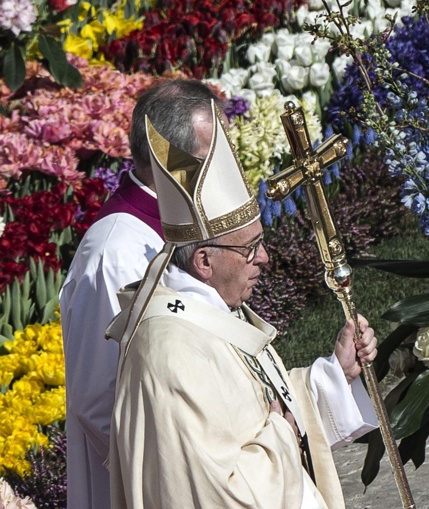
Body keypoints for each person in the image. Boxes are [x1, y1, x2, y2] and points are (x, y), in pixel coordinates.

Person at [106, 99, 377, 508]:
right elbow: (215, 492)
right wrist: (284, 436)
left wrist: (335, 373)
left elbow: (257, 411)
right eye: (250, 249)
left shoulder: (210, 311)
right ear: (203, 261)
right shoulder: (171, 354)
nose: (264, 258)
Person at [59, 79, 227, 509]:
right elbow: (98, 399)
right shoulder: (114, 254)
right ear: (165, 158)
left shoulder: (184, 219)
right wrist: (179, 472)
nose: (228, 169)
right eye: (213, 158)